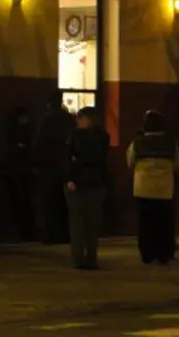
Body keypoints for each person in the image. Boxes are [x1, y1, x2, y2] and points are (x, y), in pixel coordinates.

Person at [126, 110, 179, 265]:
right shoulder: (171, 143)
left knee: (145, 222)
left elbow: (130, 161)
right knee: (164, 223)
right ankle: (163, 253)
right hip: (164, 189)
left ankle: (147, 253)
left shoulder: (137, 142)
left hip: (143, 187)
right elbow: (176, 163)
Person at [64, 106, 110, 270]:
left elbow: (70, 158)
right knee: (92, 222)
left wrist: (70, 177)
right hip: (96, 183)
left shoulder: (75, 136)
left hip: (79, 183)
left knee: (78, 222)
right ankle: (90, 257)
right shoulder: (103, 136)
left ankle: (79, 257)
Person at [35, 90, 75, 244]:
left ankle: (51, 235)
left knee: (49, 203)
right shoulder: (68, 119)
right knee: (63, 203)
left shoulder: (47, 120)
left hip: (48, 168)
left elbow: (39, 144)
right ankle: (64, 234)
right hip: (64, 166)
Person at [5, 106, 35, 241]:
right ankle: (25, 231)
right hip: (22, 173)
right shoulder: (24, 131)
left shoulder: (10, 131)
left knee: (17, 203)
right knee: (23, 202)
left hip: (16, 172)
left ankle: (19, 231)